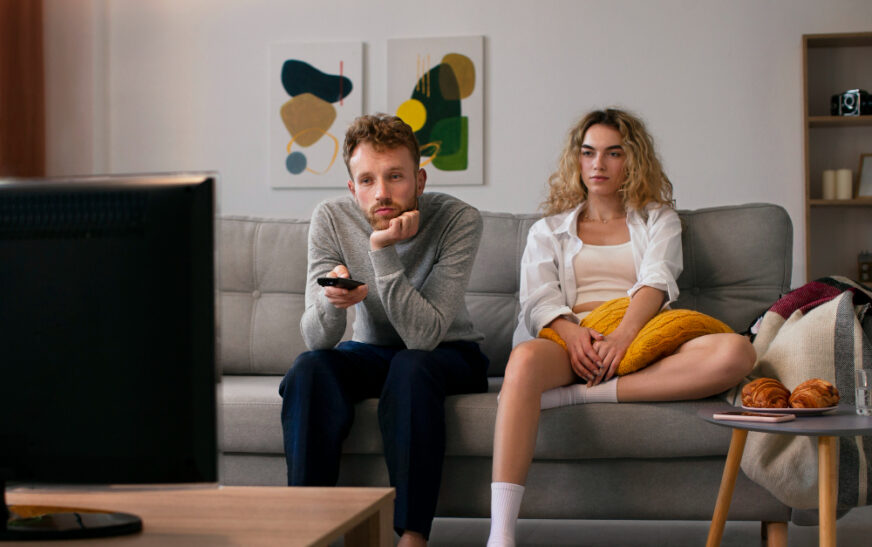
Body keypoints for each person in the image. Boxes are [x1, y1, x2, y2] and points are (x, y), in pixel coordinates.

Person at [486, 108, 756, 547]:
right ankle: (501, 535)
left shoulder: (658, 219)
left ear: (632, 160)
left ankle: (575, 396)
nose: (599, 164)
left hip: (639, 335)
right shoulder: (547, 231)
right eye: (589, 152)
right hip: (573, 338)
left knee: (737, 354)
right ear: (577, 160)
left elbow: (657, 281)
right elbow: (539, 300)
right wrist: (576, 337)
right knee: (524, 358)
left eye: (613, 153)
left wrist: (622, 338)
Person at [279, 113, 489, 547]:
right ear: (352, 187)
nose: (382, 193)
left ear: (420, 179)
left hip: (448, 353)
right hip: (372, 351)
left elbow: (423, 337)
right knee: (309, 369)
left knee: (411, 367)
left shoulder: (458, 220)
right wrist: (331, 302)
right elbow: (317, 339)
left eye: (395, 177)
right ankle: (305, 529)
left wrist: (381, 251)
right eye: (368, 180)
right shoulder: (331, 218)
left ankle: (412, 537)